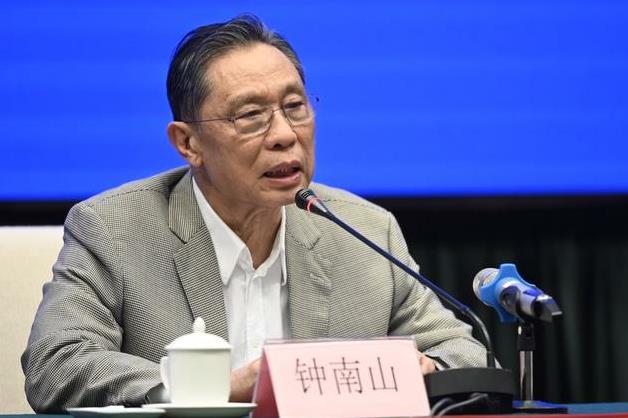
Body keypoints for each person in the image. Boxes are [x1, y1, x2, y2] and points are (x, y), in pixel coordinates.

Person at [22, 15, 487, 412]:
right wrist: (212, 389)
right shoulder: (115, 228)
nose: (284, 134)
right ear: (188, 143)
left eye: (294, 107)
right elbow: (57, 363)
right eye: (250, 116)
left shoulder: (364, 229)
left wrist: (425, 370)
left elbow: (462, 350)